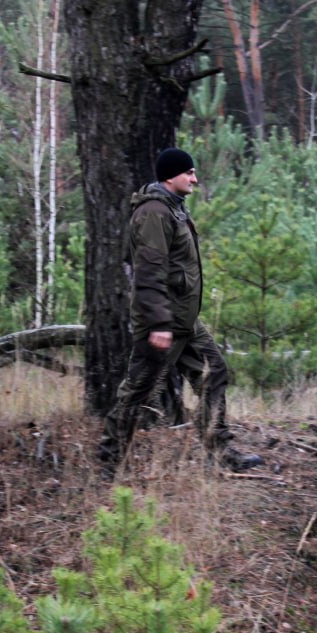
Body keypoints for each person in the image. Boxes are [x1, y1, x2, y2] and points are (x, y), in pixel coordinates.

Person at [97, 147, 264, 477]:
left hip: (184, 320)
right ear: (170, 176)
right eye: (189, 173)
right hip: (162, 321)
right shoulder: (154, 213)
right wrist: (159, 323)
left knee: (214, 370)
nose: (195, 179)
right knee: (139, 390)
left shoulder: (174, 210)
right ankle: (109, 461)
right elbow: (149, 271)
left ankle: (220, 451)